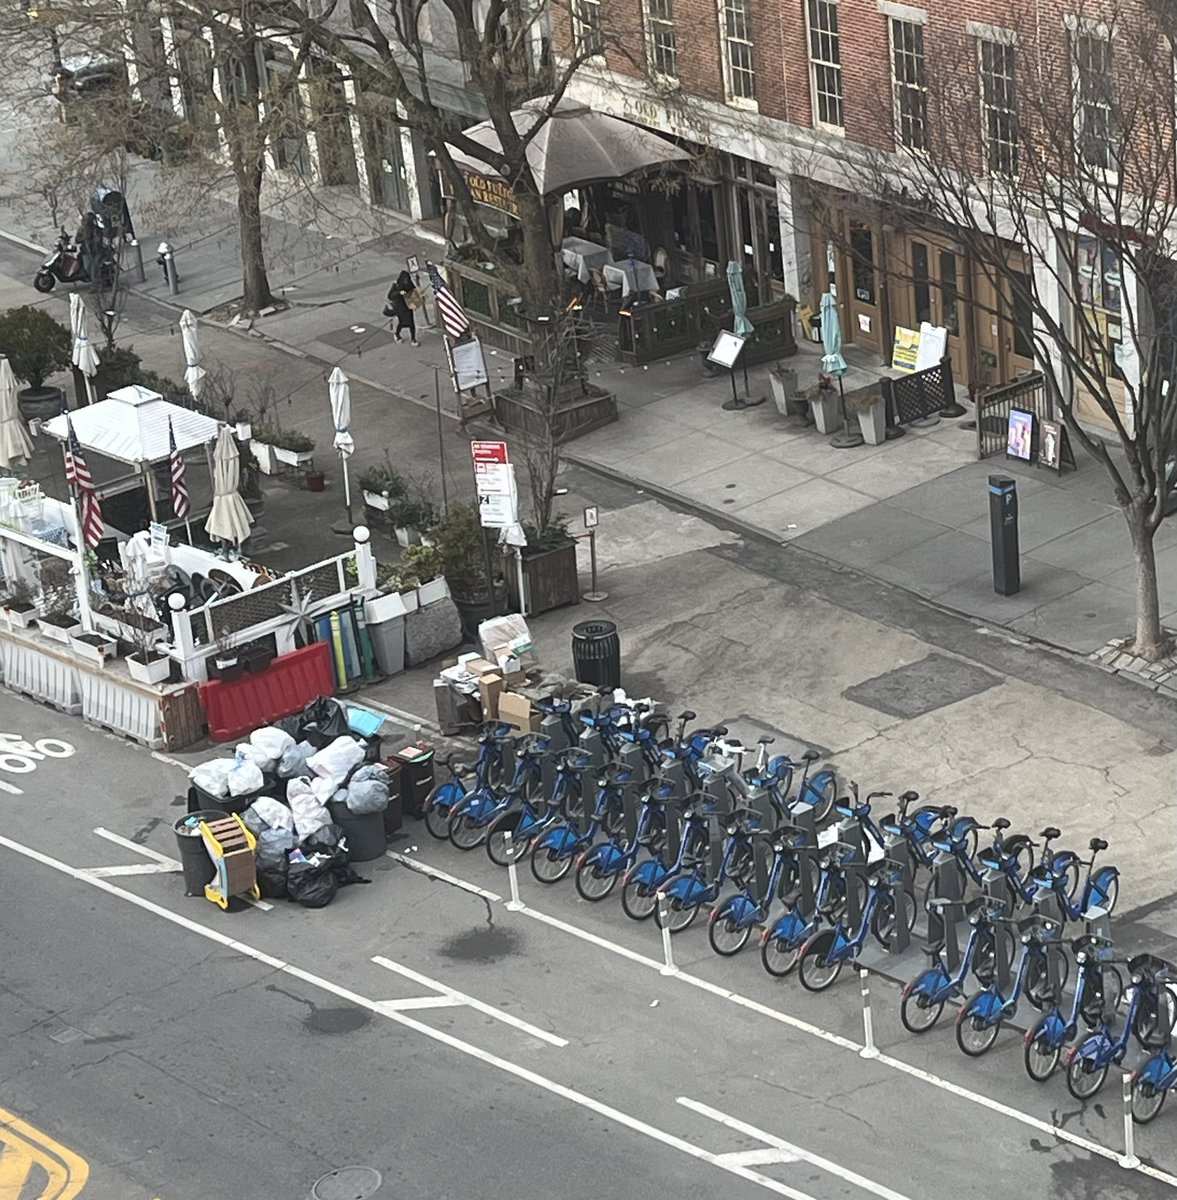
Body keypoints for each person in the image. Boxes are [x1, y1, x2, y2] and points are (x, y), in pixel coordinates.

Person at [385, 270, 420, 346]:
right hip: (400, 306)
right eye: (405, 280)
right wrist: (399, 293)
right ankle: (397, 333)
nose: (406, 281)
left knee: (411, 323)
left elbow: (413, 291)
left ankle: (413, 339)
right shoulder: (396, 286)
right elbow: (390, 295)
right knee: (402, 322)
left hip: (408, 306)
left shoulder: (409, 284)